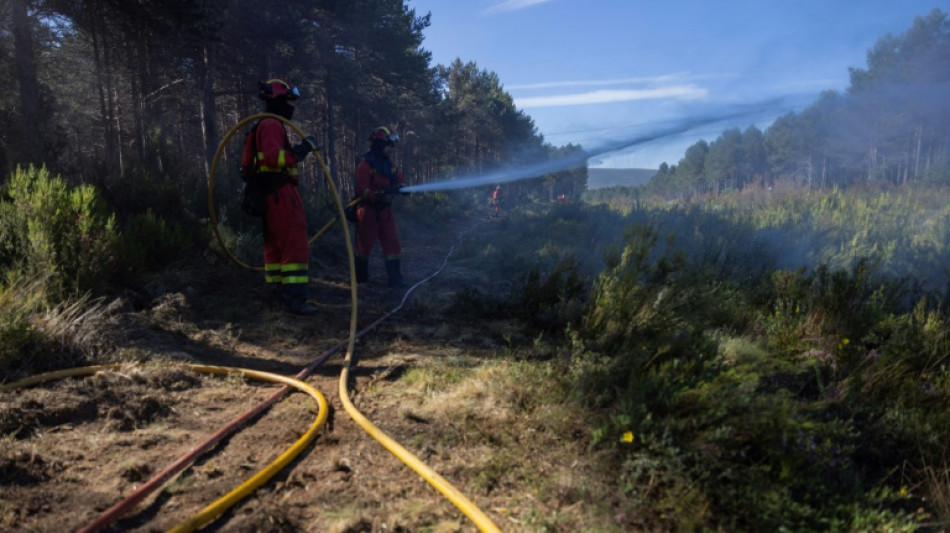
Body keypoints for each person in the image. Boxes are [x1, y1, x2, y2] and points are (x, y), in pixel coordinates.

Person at [241, 78, 320, 314]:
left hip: (270, 194)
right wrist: (301, 150)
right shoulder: (272, 124)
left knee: (274, 247)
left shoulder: (265, 125)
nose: (290, 107)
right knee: (294, 244)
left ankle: (276, 295)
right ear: (277, 101)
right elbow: (275, 158)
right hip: (279, 193)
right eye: (288, 101)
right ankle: (294, 300)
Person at [353, 126, 408, 287]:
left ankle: (395, 280)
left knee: (393, 245)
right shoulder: (365, 165)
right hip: (368, 212)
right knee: (364, 247)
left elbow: (399, 178)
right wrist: (378, 194)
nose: (391, 149)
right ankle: (361, 280)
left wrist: (401, 187)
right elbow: (361, 190)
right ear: (379, 144)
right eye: (388, 145)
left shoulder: (389, 165)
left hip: (385, 211)